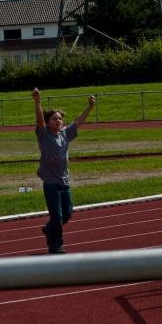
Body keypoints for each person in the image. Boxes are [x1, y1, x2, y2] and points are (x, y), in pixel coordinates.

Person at [32, 88, 95, 254]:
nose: (58, 121)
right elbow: (39, 120)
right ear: (47, 123)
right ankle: (56, 245)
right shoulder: (44, 135)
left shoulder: (65, 134)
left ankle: (49, 228)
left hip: (65, 183)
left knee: (66, 215)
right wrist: (37, 101)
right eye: (54, 119)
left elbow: (78, 122)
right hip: (51, 184)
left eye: (60, 119)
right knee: (57, 218)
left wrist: (90, 107)